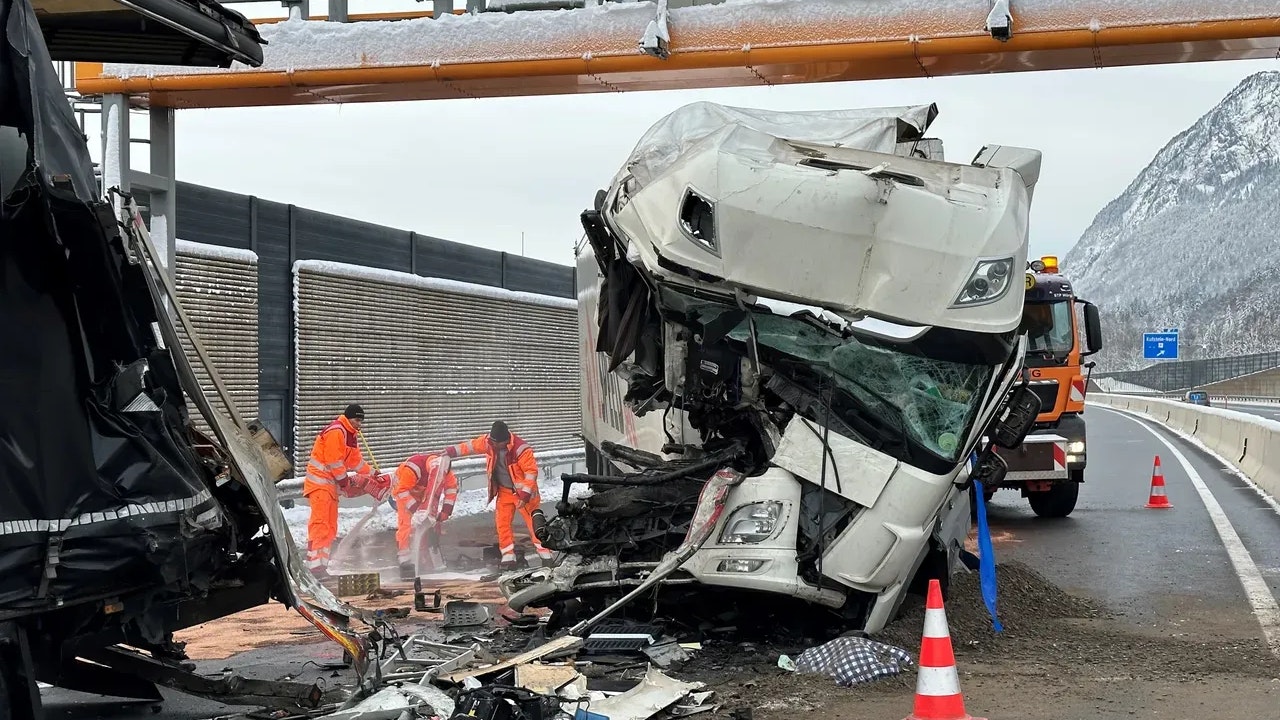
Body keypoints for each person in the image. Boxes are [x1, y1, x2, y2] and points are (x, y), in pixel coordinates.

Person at [442, 421, 552, 569]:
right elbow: (471, 446)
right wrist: (450, 451)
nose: (493, 445)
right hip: (504, 492)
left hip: (524, 495)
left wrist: (524, 496)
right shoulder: (489, 443)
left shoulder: (521, 449)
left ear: (505, 441)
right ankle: (508, 556)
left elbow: (531, 473)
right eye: (492, 442)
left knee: (535, 526)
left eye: (496, 443)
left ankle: (546, 555)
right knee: (503, 524)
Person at [303, 404, 388, 578]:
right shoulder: (337, 431)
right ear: (348, 418)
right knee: (321, 525)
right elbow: (334, 461)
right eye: (357, 420)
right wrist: (344, 482)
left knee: (330, 526)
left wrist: (373, 473)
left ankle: (321, 566)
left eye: (361, 421)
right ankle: (314, 566)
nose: (360, 424)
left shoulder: (350, 435)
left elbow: (356, 462)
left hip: (329, 486)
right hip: (320, 484)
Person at [391, 452, 459, 580]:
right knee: (405, 524)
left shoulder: (444, 470)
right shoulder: (413, 469)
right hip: (405, 491)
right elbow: (401, 491)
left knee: (430, 522)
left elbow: (451, 489)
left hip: (424, 492)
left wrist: (445, 511)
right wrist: (415, 509)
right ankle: (404, 557)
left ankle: (427, 553)